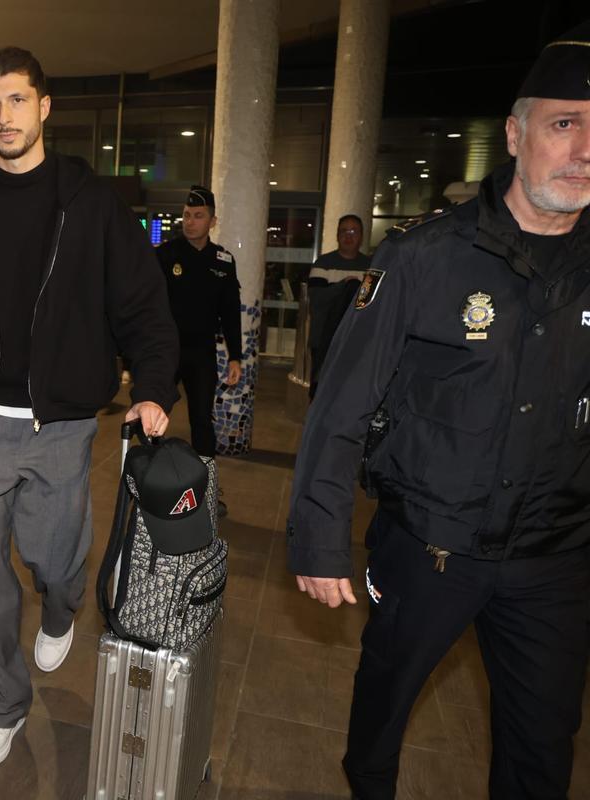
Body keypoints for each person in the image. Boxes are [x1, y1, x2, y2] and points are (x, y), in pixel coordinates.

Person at [287, 22, 590, 799]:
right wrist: (320, 539)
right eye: (566, 124)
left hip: (555, 558)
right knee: (384, 703)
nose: (586, 147)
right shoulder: (424, 257)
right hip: (431, 548)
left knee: (543, 743)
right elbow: (342, 402)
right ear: (517, 135)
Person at [0, 46, 178, 767]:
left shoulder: (90, 203)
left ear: (45, 106)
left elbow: (143, 306)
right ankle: (2, 701)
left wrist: (151, 386)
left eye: (17, 100)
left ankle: (61, 607)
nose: (3, 117)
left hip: (62, 425)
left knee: (55, 562)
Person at [155, 186, 241, 513]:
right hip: (165, 351)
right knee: (152, 414)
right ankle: (150, 482)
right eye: (187, 215)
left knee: (202, 421)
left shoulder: (223, 261)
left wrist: (236, 355)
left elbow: (231, 312)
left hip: (201, 353)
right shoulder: (164, 255)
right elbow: (147, 306)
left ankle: (207, 489)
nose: (190, 221)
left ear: (212, 220)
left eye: (198, 216)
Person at [306, 213, 370, 399]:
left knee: (350, 395)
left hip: (358, 342)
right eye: (344, 231)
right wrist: (344, 286)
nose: (348, 236)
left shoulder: (371, 266)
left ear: (361, 236)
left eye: (353, 231)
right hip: (324, 341)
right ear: (337, 235)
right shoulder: (323, 264)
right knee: (320, 394)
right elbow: (317, 300)